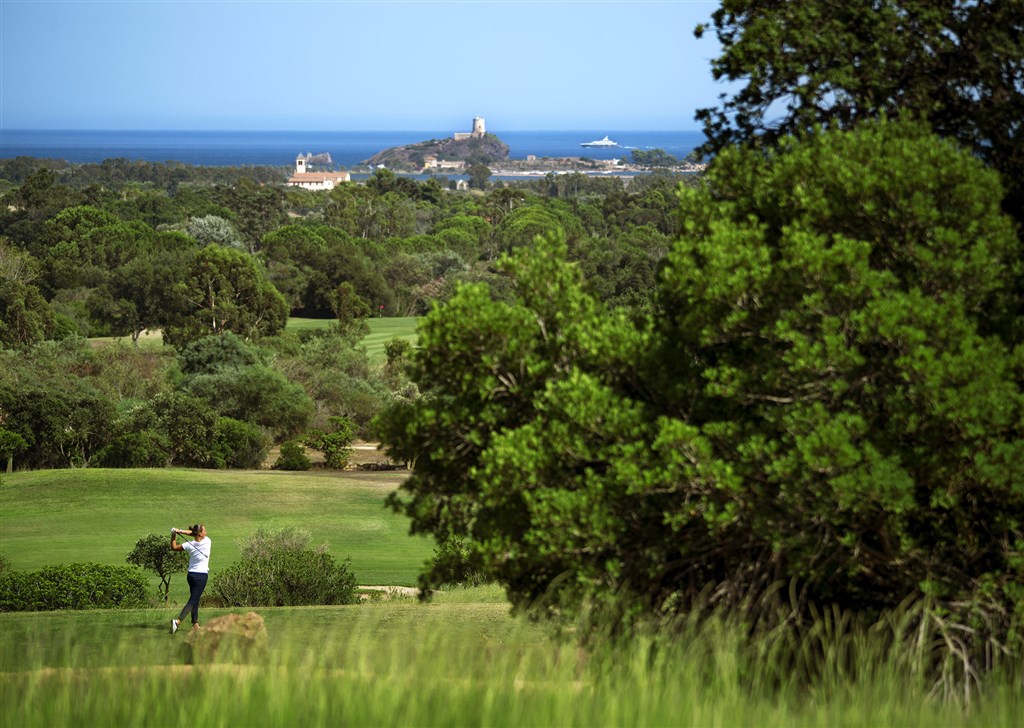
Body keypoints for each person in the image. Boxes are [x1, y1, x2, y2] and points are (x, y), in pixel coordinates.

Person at [170, 524, 211, 634]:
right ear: (201, 534)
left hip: (191, 575)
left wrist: (174, 534)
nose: (206, 533)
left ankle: (195, 624)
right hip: (201, 576)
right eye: (204, 531)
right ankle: (177, 622)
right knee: (193, 600)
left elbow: (173, 547)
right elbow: (193, 533)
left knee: (195, 598)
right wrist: (181, 531)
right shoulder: (207, 541)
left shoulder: (188, 545)